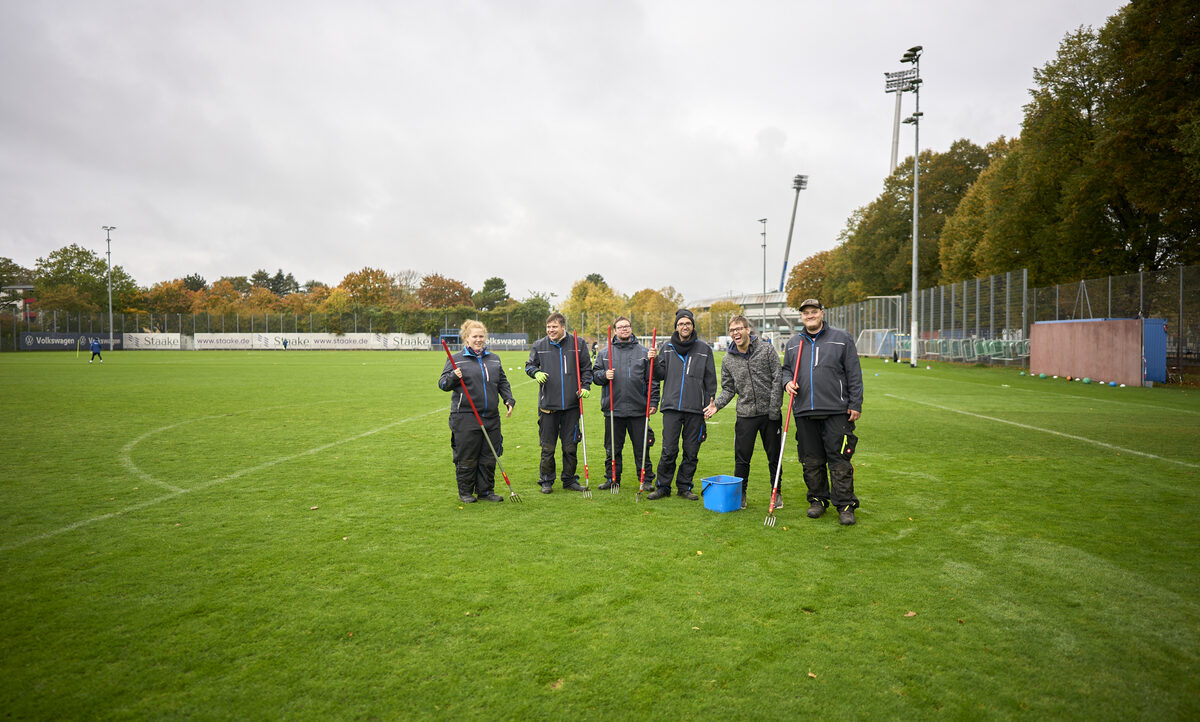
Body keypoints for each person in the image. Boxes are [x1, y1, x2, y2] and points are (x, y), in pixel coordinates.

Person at [781, 299, 864, 525]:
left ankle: (845, 505)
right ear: (801, 317)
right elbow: (786, 370)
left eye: (813, 312)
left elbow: (854, 373)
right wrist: (787, 382)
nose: (810, 315)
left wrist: (855, 403)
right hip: (804, 410)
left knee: (839, 460)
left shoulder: (841, 339)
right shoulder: (793, 344)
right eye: (806, 313)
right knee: (811, 460)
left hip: (836, 410)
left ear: (821, 313)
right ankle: (818, 500)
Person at [706, 315, 783, 509]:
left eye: (739, 328)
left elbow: (777, 378)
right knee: (741, 459)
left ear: (748, 329)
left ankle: (777, 492)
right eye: (732, 330)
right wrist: (718, 405)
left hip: (770, 415)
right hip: (745, 415)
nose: (736, 333)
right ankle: (741, 495)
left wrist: (774, 409)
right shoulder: (728, 359)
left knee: (774, 457)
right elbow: (729, 388)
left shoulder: (766, 349)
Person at [438, 320, 515, 504]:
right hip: (465, 416)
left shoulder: (494, 359)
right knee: (467, 456)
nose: (479, 340)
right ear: (466, 338)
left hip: (491, 416)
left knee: (489, 456)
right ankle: (465, 492)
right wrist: (452, 377)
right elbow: (442, 384)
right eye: (475, 336)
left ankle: (486, 491)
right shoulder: (456, 359)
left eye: (481, 336)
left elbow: (502, 382)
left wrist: (508, 399)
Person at [646, 309, 717, 500]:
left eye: (687, 323)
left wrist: (710, 404)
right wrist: (651, 361)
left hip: (695, 409)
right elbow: (657, 375)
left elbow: (710, 380)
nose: (684, 327)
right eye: (680, 324)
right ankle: (663, 486)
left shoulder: (704, 349)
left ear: (692, 326)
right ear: (676, 327)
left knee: (691, 451)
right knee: (669, 450)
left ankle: (684, 487)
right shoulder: (666, 347)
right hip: (671, 407)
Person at [525, 313, 592, 494]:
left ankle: (569, 479)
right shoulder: (539, 345)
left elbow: (586, 368)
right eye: (548, 327)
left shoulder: (578, 344)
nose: (550, 330)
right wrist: (535, 372)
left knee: (570, 447)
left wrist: (586, 386)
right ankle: (546, 480)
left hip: (572, 406)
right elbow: (529, 365)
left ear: (563, 327)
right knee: (547, 448)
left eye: (554, 327)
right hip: (548, 407)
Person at [593, 317, 658, 492]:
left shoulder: (644, 352)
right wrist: (604, 375)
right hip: (613, 409)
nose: (624, 329)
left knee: (642, 448)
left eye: (627, 326)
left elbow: (652, 380)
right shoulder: (604, 353)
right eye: (620, 327)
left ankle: (645, 479)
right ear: (614, 331)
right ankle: (612, 478)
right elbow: (595, 376)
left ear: (631, 329)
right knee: (612, 448)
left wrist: (653, 401)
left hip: (638, 408)